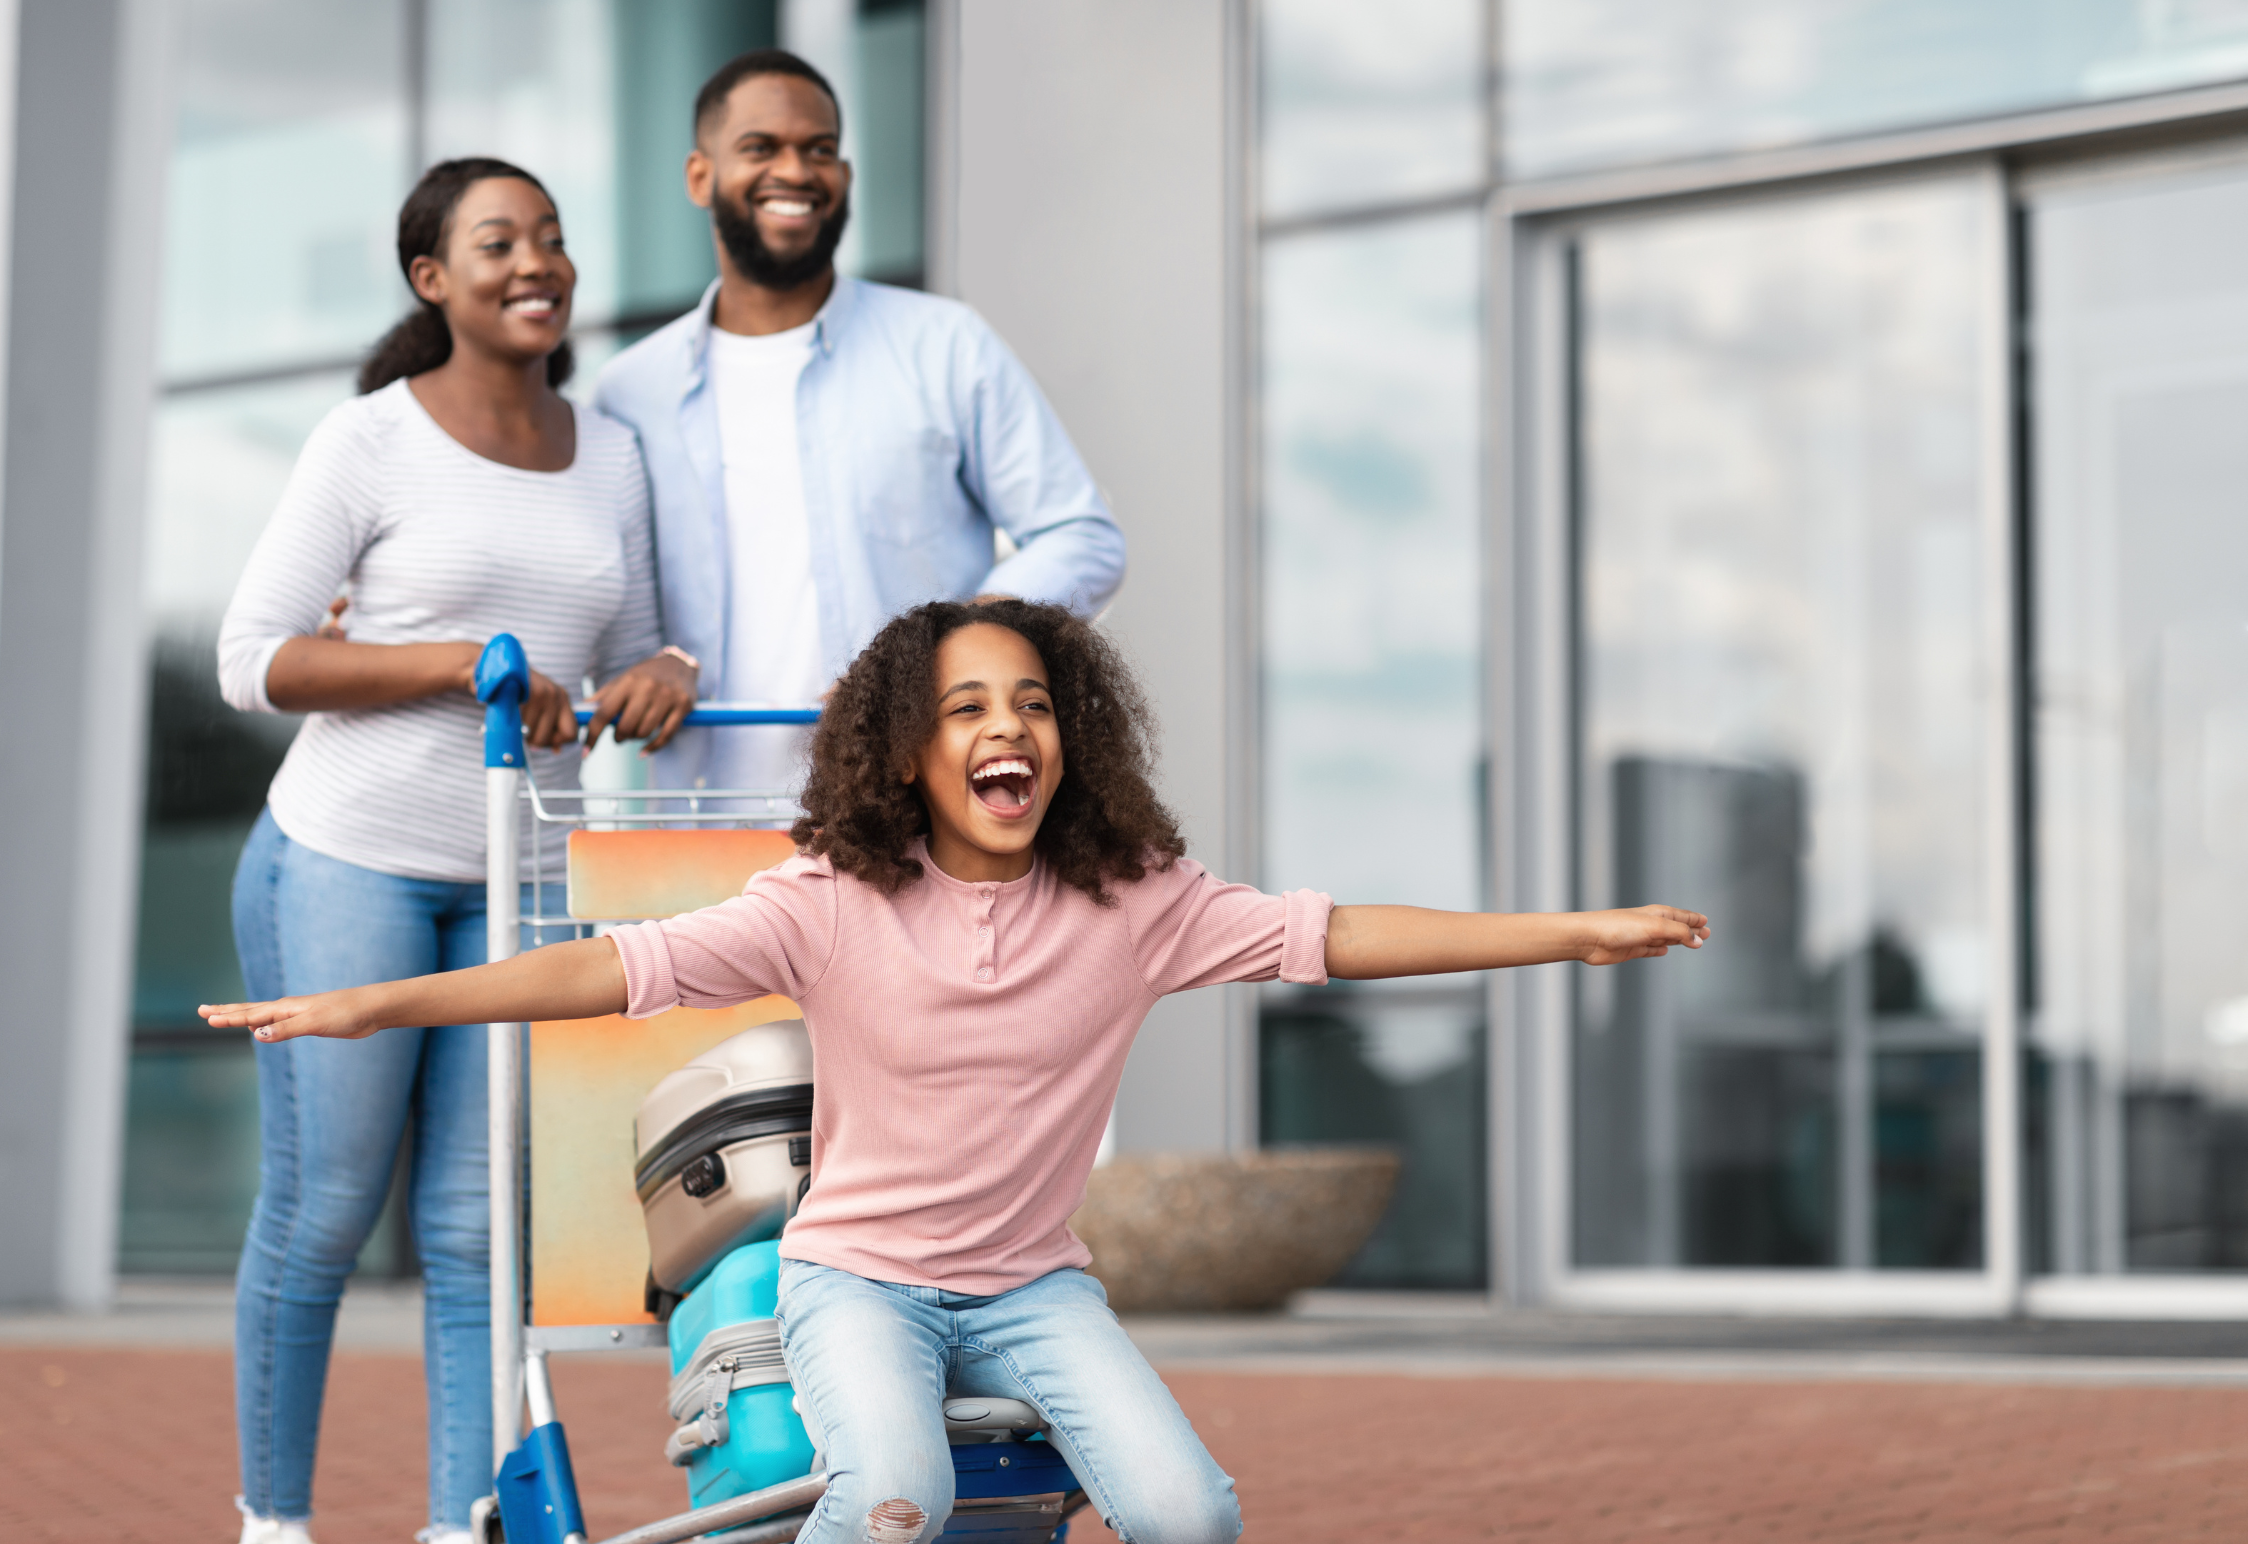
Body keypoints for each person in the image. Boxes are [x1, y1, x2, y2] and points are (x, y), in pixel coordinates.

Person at [202, 600, 1709, 1544]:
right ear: (908, 754)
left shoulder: (1137, 901)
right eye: (968, 708)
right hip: (853, 1277)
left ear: (1072, 741)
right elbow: (611, 968)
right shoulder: (831, 899)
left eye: (1034, 704)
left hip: (1033, 1288)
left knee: (1190, 1515)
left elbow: (1338, 933)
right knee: (900, 1497)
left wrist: (1567, 932)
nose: (1009, 729)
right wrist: (377, 1001)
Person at [214, 158, 698, 1544]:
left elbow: (634, 642)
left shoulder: (610, 450)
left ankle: (454, 1526)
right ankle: (273, 1525)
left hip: (522, 874)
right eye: (499, 242)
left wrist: (665, 669)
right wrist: (454, 665)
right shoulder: (368, 442)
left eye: (550, 238)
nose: (536, 261)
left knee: (479, 1234)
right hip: (346, 861)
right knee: (323, 1210)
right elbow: (254, 660)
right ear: (433, 279)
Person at [594, 49, 1126, 802]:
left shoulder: (944, 344)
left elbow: (1083, 535)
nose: (798, 170)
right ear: (699, 176)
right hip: (701, 822)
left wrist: (941, 651)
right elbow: (602, 591)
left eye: (820, 149)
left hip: (904, 814)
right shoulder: (628, 390)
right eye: (760, 148)